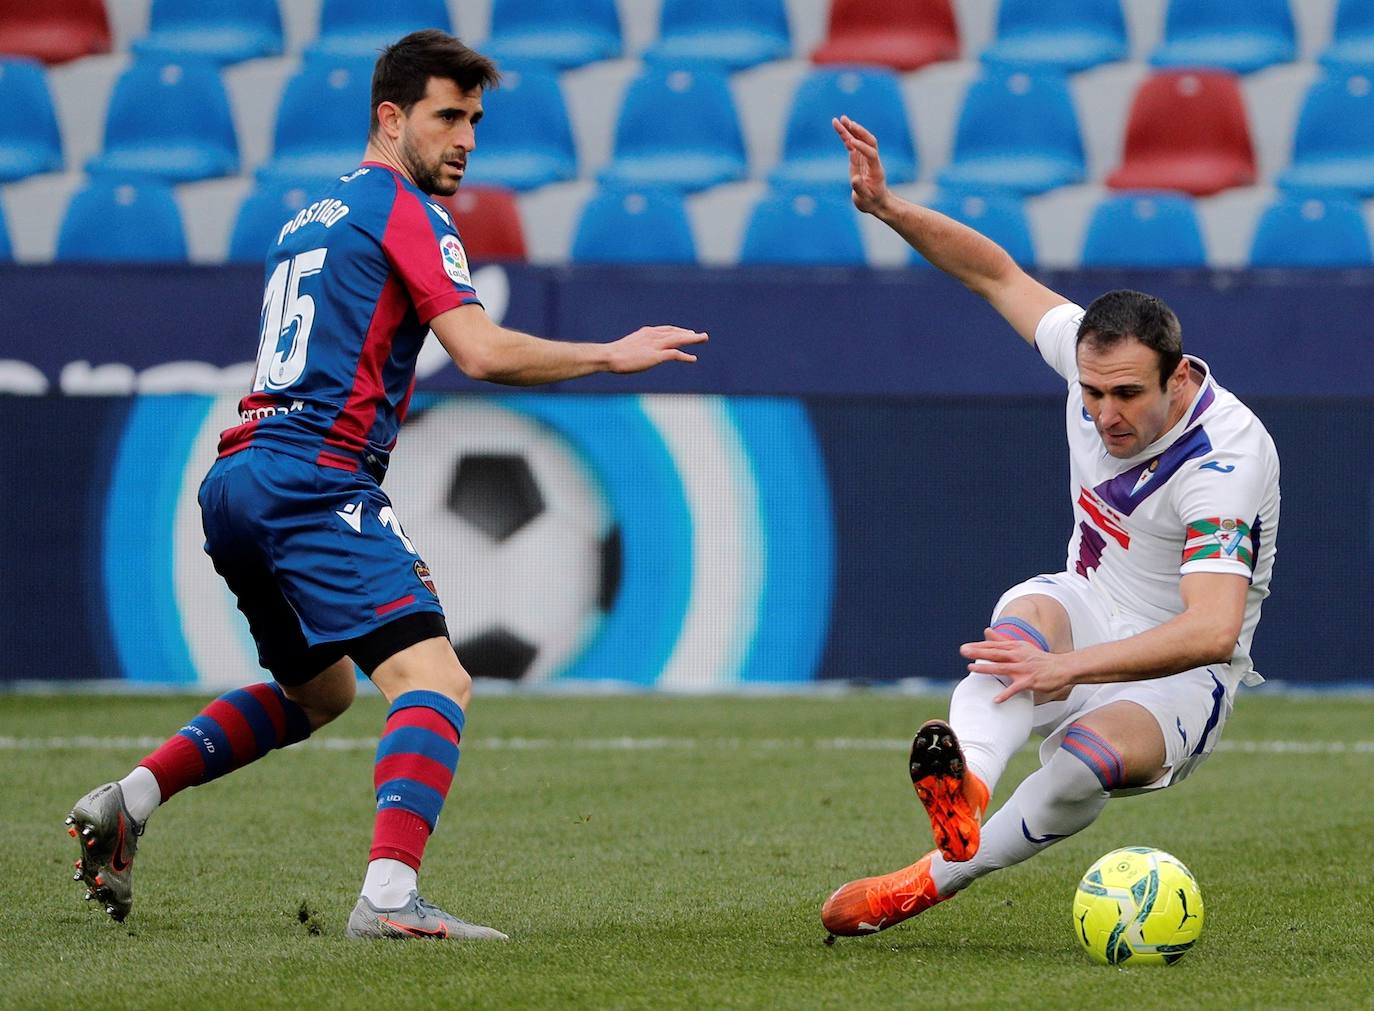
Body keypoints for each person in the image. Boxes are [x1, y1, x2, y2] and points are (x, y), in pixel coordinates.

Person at [65, 30, 707, 941]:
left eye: (476, 120)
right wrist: (609, 351)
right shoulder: (403, 208)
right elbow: (479, 351)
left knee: (318, 692)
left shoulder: (307, 217)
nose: (468, 138)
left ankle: (132, 796)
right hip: (313, 477)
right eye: (449, 117)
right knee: (436, 678)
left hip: (238, 479)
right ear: (391, 117)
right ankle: (392, 898)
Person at [819, 116, 1280, 939]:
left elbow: (1211, 628)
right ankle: (966, 786)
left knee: (1086, 762)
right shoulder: (1093, 359)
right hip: (1087, 602)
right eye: (1093, 392)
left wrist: (1068, 668)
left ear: (1179, 377)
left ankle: (928, 880)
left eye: (1128, 395)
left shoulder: (1228, 459)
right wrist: (889, 208)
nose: (1106, 413)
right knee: (1018, 624)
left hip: (1182, 674)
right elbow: (994, 273)